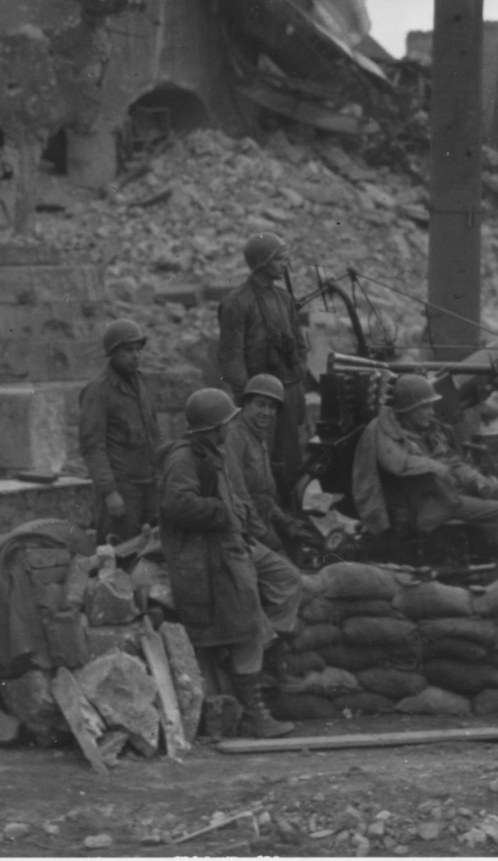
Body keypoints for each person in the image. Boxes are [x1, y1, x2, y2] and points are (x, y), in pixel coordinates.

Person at [157, 387, 303, 739]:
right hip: (209, 558)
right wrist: (223, 515)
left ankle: (252, 698)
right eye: (226, 422)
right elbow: (178, 505)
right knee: (247, 626)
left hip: (228, 548)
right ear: (213, 427)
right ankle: (255, 714)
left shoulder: (211, 452)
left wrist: (242, 527)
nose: (230, 427)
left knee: (264, 608)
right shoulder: (186, 459)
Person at [348, 374, 498, 567]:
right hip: (429, 501)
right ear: (408, 409)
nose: (431, 412)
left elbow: (454, 462)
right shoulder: (385, 431)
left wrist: (476, 480)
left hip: (450, 493)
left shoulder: (429, 430)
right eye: (425, 407)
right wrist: (436, 467)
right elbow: (396, 463)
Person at [216, 233, 311, 503]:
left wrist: (299, 373)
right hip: (260, 399)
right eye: (279, 259)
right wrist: (251, 399)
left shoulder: (284, 300)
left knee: (293, 461)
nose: (285, 264)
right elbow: (231, 358)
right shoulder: (236, 303)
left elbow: (300, 346)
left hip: (289, 393)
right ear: (262, 262)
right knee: (259, 464)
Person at [76, 319, 161, 543]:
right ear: (112, 353)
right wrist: (110, 492)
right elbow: (92, 446)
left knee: (152, 552)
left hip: (149, 483)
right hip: (122, 489)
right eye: (127, 350)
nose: (135, 356)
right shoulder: (98, 390)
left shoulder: (140, 383)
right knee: (120, 554)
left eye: (138, 350)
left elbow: (153, 434)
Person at [230, 373, 311, 560]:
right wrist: (264, 535)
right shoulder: (235, 437)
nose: (267, 412)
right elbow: (238, 496)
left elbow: (263, 496)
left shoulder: (258, 437)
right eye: (261, 404)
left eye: (272, 407)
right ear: (246, 403)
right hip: (241, 531)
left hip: (259, 524)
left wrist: (286, 522)